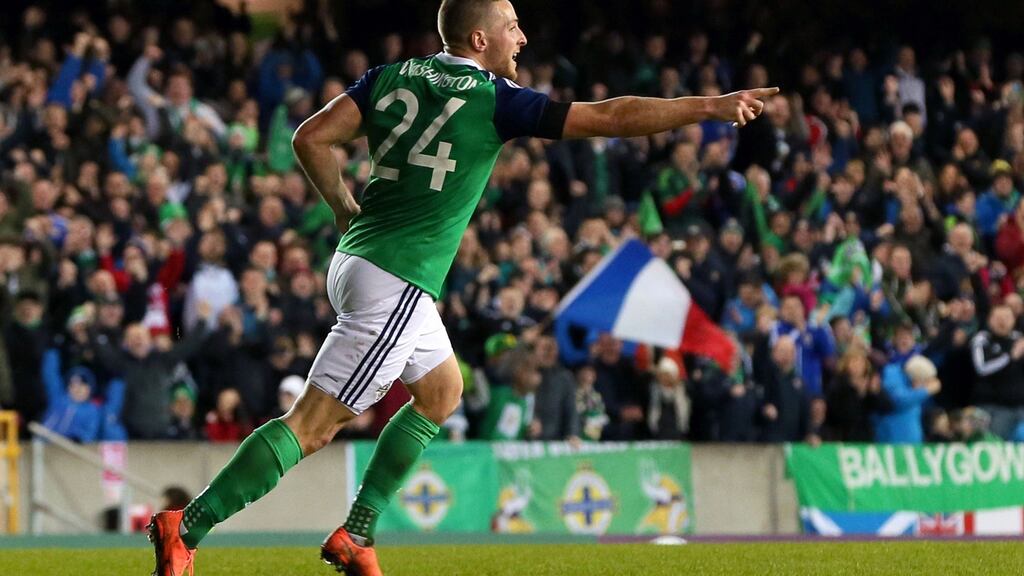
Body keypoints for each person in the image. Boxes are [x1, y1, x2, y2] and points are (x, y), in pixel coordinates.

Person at [147, 1, 777, 574]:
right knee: (312, 425)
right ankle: (188, 524)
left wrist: (343, 207)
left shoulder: (391, 75)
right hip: (397, 280)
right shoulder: (497, 97)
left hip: (361, 261)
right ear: (480, 37)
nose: (522, 37)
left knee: (443, 391)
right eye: (512, 26)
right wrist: (710, 106)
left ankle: (357, 535)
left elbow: (310, 137)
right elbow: (612, 115)